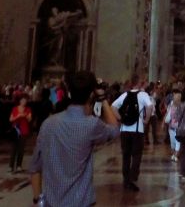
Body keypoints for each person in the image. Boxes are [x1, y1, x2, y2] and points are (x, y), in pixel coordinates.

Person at [29, 70, 119, 206]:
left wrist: (38, 199)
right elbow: (114, 129)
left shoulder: (48, 124)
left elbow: (35, 167)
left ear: (69, 93)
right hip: (80, 202)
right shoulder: (91, 124)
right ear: (91, 95)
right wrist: (102, 99)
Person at [111, 73, 153, 191]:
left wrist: (120, 118)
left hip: (124, 129)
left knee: (126, 155)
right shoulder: (143, 95)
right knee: (136, 155)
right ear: (139, 83)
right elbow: (150, 107)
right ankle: (132, 178)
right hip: (137, 129)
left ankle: (126, 180)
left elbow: (113, 106)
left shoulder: (125, 94)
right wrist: (146, 119)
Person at [8, 94, 32, 172]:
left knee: (21, 149)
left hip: (24, 131)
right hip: (15, 131)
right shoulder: (15, 109)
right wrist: (18, 116)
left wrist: (25, 116)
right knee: (13, 149)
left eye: (25, 101)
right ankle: (11, 166)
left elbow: (29, 119)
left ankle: (19, 165)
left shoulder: (28, 109)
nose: (24, 102)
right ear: (20, 101)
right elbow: (11, 119)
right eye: (22, 100)